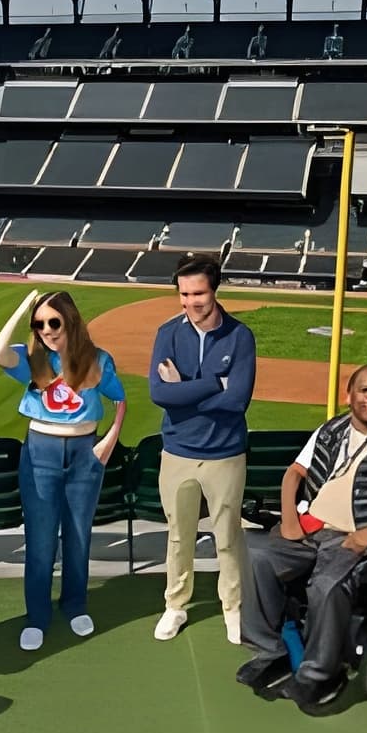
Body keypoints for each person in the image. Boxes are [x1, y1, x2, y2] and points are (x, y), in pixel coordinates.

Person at [236, 365, 367, 713]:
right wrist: (289, 519)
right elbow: (295, 472)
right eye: (365, 391)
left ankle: (319, 675)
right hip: (310, 527)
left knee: (326, 584)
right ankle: (270, 649)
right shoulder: (331, 430)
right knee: (254, 554)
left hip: (356, 537)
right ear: (350, 396)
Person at [0, 288, 127, 651]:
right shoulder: (32, 358)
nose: (47, 330)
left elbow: (120, 398)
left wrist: (110, 439)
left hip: (86, 451)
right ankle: (37, 616)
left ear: (71, 320)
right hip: (40, 452)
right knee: (40, 539)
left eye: (54, 322)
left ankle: (75, 604)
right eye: (40, 324)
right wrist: (23, 307)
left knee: (78, 535)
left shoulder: (97, 359)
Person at [148, 254, 256, 644]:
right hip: (177, 452)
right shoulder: (167, 333)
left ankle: (233, 607)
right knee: (179, 536)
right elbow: (159, 393)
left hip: (225, 453)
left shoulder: (240, 336)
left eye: (198, 293)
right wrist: (214, 383)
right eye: (184, 294)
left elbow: (238, 400)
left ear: (215, 290)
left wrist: (186, 390)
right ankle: (175, 605)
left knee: (227, 536)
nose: (190, 302)